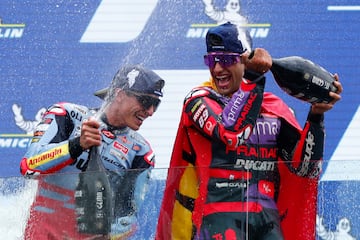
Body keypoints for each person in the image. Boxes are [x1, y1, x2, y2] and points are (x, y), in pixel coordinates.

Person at [156, 22, 342, 240]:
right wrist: (253, 79)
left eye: (226, 60)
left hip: (266, 219)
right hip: (219, 216)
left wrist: (316, 115)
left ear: (245, 61)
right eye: (212, 60)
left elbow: (304, 169)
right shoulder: (198, 101)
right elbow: (231, 133)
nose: (217, 69)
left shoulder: (274, 107)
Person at [20, 64, 165, 239]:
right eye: (145, 102)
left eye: (155, 104)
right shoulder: (68, 115)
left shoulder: (141, 151)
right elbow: (29, 166)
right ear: (119, 94)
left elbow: (129, 217)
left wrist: (106, 236)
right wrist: (76, 146)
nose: (150, 112)